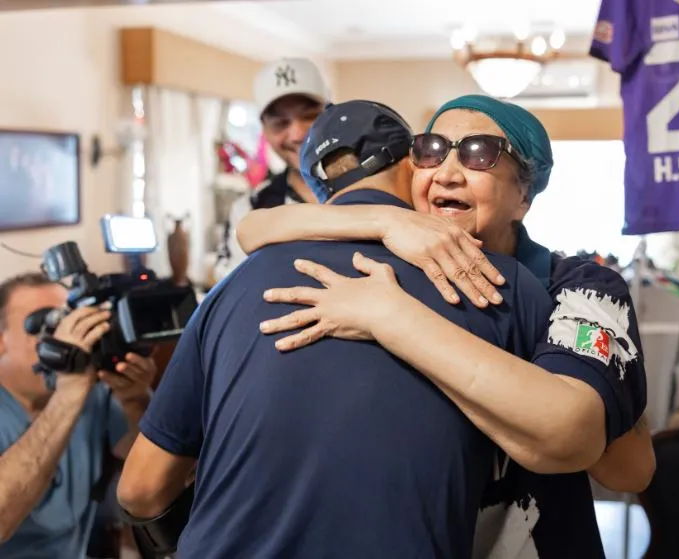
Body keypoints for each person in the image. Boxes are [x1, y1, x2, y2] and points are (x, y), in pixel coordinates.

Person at [115, 100, 599, 559]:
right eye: (433, 153)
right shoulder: (496, 282)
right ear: (412, 166)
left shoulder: (229, 291)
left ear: (319, 190)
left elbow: (139, 489)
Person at [237, 94, 654, 557]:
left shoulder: (575, 286)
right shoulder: (390, 267)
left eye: (480, 153)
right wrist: (384, 219)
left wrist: (389, 317)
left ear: (523, 195)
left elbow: (620, 466)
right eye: (431, 149)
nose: (448, 171)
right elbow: (253, 228)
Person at [0, 273, 156, 558]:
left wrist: (135, 399)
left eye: (67, 322)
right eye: (44, 325)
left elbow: (155, 471)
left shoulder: (91, 391)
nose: (62, 339)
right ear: (1, 341)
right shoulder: (74, 387)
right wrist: (69, 390)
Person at [214, 57, 330, 281]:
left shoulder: (373, 186)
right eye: (280, 123)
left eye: (309, 116)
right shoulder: (250, 208)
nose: (297, 135)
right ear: (265, 130)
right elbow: (236, 288)